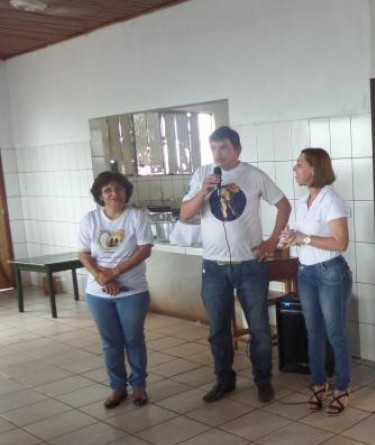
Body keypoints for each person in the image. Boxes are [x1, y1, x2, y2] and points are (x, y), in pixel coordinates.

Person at [181, 126, 291, 404]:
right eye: (213, 148)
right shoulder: (202, 175)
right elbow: (184, 215)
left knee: (259, 328)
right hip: (214, 267)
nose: (217, 154)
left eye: (224, 148)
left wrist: (272, 242)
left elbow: (284, 205)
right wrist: (203, 192)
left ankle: (263, 380)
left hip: (250, 266)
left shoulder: (253, 175)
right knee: (218, 329)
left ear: (237, 150)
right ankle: (224, 379)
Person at [281, 148, 353, 414]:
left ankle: (342, 388)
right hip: (306, 272)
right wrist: (293, 237)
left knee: (335, 333)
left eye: (299, 164)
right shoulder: (303, 201)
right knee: (313, 332)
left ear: (314, 169)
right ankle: (319, 383)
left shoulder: (331, 200)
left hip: (330, 272)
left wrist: (305, 238)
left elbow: (341, 243)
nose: (295, 168)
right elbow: (305, 237)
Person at [78, 172, 154, 408]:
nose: (114, 194)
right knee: (110, 342)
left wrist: (114, 272)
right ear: (100, 195)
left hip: (132, 291)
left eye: (119, 189)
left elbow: (144, 249)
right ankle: (117, 388)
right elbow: (83, 253)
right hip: (98, 293)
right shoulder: (90, 219)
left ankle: (139, 386)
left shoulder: (137, 216)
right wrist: (102, 277)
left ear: (126, 192)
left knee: (133, 339)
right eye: (108, 190)